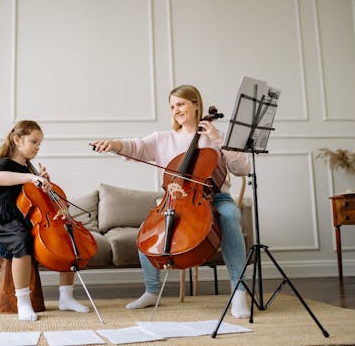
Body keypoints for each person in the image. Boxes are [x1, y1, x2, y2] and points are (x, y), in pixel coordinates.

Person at [91, 85, 251, 319]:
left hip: (216, 198)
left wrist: (219, 140)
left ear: (196, 104)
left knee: (229, 216)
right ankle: (152, 291)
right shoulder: (163, 139)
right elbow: (136, 146)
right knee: (148, 229)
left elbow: (242, 167)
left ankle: (239, 291)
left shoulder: (217, 138)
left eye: (181, 104)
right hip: (176, 201)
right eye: (173, 106)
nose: (177, 110)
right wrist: (114, 144)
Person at [0, 120, 89, 321]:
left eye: (39, 144)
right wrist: (32, 179)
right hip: (4, 225)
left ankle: (66, 297)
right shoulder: (5, 164)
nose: (37, 147)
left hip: (26, 221)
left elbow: (35, 202)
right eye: (34, 142)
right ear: (17, 140)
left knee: (66, 239)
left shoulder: (30, 170)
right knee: (21, 241)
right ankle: (23, 303)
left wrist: (43, 181)